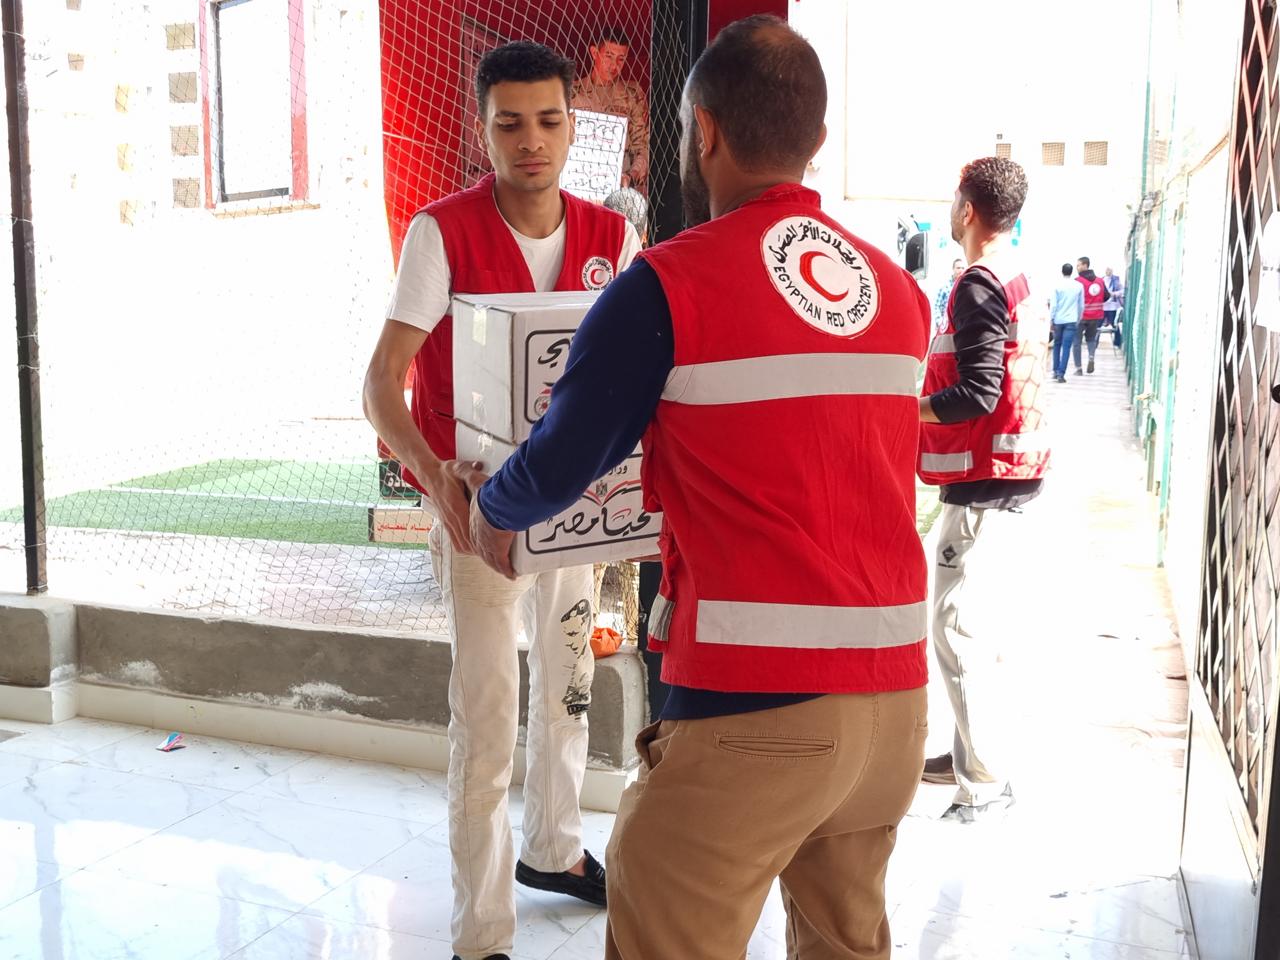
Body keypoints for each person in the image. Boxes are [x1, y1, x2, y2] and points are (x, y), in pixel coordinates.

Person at [456, 17, 932, 958]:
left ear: (702, 133)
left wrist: (488, 508)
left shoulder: (667, 287)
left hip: (757, 711)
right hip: (894, 714)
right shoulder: (895, 290)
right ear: (816, 143)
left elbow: (560, 459)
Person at [362, 41, 641, 960]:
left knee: (568, 689)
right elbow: (382, 385)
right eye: (510, 123)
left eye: (550, 121)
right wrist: (438, 481)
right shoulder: (441, 233)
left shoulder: (613, 236)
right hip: (480, 517)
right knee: (485, 722)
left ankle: (555, 850)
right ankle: (480, 933)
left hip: (578, 514)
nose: (532, 142)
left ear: (575, 126)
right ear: (479, 129)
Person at [918, 156, 1050, 823]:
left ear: (967, 210)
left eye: (952, 198)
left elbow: (976, 392)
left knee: (955, 625)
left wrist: (902, 409)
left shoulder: (976, 284)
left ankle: (985, 780)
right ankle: (965, 750)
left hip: (985, 482)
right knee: (961, 621)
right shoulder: (1014, 273)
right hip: (1002, 474)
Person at [571, 28, 649, 190]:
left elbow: (643, 145)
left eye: (621, 59)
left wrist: (631, 176)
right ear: (594, 52)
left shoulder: (632, 94)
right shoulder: (571, 93)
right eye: (608, 56)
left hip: (622, 182)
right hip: (577, 180)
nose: (614, 65)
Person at [1072, 255, 1108, 374]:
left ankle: (1078, 368)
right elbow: (1106, 296)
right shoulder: (1100, 281)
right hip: (1096, 315)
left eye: (1078, 265)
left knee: (1076, 341)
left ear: (1085, 265)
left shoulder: (1078, 281)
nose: (1077, 267)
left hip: (1081, 316)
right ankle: (1091, 357)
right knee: (1091, 339)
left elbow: (1073, 298)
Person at [1048, 262, 1083, 382]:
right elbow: (1081, 305)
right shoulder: (1078, 286)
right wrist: (1078, 318)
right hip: (1071, 319)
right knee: (1066, 347)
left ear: (1062, 271)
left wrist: (1051, 319)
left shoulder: (1056, 285)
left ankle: (1055, 370)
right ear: (1071, 271)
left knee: (1057, 345)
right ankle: (1061, 374)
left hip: (1058, 319)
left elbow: (1053, 305)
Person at [934, 257, 965, 333]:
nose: (960, 270)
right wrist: (940, 323)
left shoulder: (966, 286)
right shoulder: (945, 286)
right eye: (958, 268)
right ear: (953, 269)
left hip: (961, 328)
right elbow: (937, 306)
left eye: (962, 268)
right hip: (946, 329)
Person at [1104, 265, 1125, 347]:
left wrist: (1115, 294)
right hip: (1103, 306)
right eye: (1107, 270)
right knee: (1097, 325)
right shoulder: (1102, 280)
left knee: (1114, 324)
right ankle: (1094, 342)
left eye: (1110, 270)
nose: (1108, 271)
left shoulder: (1116, 279)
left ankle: (1117, 342)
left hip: (1112, 306)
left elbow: (1122, 290)